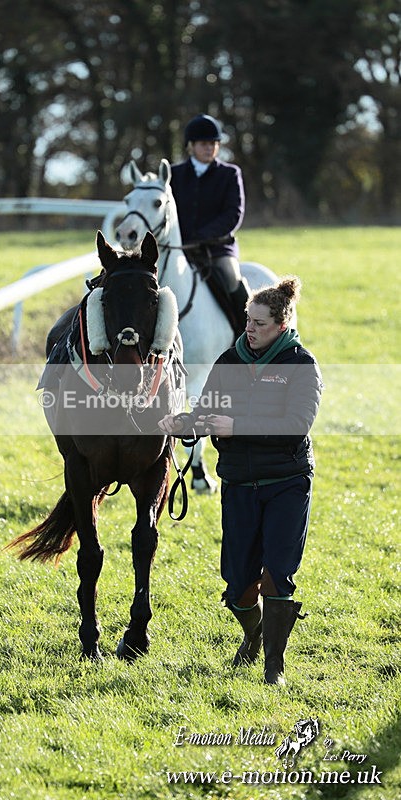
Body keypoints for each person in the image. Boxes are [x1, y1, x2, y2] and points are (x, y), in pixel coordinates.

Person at [159, 277, 322, 685]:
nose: (249, 329)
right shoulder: (229, 361)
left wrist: (237, 427)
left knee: (278, 574)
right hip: (238, 483)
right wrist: (184, 424)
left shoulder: (301, 364)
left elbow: (297, 424)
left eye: (260, 323)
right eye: (248, 320)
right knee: (237, 585)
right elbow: (207, 410)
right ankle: (254, 635)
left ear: (281, 326)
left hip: (287, 481)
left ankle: (274, 667)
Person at [170, 113, 250, 339]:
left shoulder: (230, 174)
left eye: (214, 143)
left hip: (217, 249)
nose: (210, 148)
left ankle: (246, 337)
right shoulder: (174, 175)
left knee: (232, 279)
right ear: (191, 146)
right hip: (179, 249)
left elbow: (233, 214)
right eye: (204, 144)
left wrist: (202, 236)